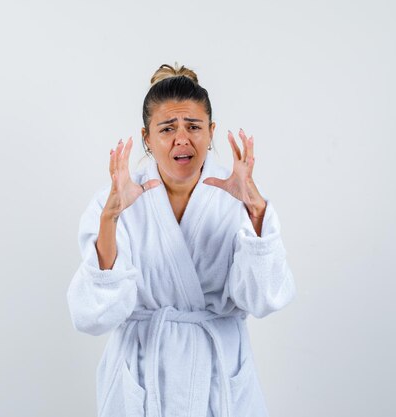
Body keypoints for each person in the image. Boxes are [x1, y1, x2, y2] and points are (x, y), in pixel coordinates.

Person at [66, 62, 296, 417]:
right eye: (167, 128)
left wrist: (255, 208)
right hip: (144, 375)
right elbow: (92, 317)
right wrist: (110, 219)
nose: (182, 139)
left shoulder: (238, 197)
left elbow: (265, 298)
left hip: (218, 379)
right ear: (146, 137)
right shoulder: (114, 200)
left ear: (211, 131)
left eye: (193, 126)